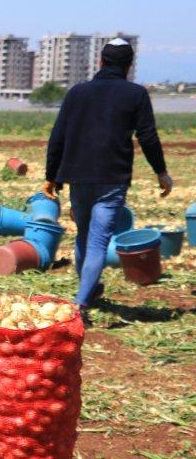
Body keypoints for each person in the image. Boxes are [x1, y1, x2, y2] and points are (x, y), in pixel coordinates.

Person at [44, 38, 173, 320]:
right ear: (129, 66)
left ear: (100, 62)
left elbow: (58, 137)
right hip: (112, 178)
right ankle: (80, 303)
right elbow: (148, 137)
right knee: (99, 242)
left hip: (77, 175)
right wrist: (161, 172)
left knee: (84, 235)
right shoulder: (136, 94)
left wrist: (50, 176)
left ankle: (87, 291)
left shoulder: (77, 93)